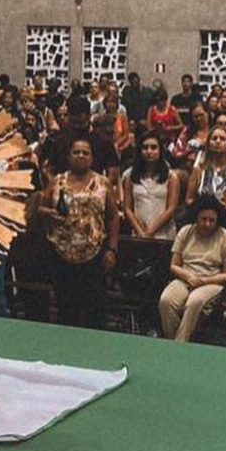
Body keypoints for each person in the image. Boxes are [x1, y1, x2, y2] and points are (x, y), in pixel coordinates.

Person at [36, 136, 120, 330]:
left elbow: (113, 217)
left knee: (95, 309)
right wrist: (47, 213)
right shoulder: (57, 181)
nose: (80, 156)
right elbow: (40, 208)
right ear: (69, 156)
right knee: (67, 309)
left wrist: (112, 249)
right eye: (76, 152)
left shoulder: (103, 183)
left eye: (85, 153)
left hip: (95, 254)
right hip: (62, 254)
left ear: (92, 158)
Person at [158, 195, 226, 342]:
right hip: (185, 277)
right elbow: (174, 265)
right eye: (203, 219)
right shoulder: (186, 232)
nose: (207, 224)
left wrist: (205, 280)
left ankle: (179, 345)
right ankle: (173, 342)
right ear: (196, 217)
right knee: (166, 300)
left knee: (194, 302)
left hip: (212, 281)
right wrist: (188, 277)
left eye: (212, 220)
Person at [122, 133, 180, 239]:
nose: (149, 151)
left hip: (164, 235)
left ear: (160, 150)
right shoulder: (130, 175)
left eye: (153, 148)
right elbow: (127, 208)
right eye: (145, 148)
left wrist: (150, 232)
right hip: (138, 233)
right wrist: (141, 233)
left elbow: (171, 208)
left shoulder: (171, 177)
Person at [185, 124, 226, 209]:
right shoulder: (199, 169)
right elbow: (189, 199)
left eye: (222, 139)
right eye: (214, 138)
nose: (218, 141)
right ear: (208, 144)